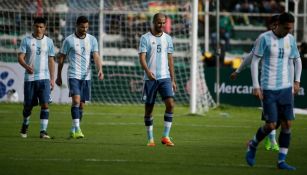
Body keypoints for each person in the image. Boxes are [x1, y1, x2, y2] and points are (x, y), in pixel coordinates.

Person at [246, 12, 302, 170]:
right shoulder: (264, 38)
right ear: (278, 24)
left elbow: (297, 60)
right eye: (286, 28)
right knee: (271, 125)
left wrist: (296, 81)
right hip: (268, 88)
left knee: (287, 124)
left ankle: (281, 161)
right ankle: (253, 144)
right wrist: (256, 86)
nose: (288, 31)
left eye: (290, 28)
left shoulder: (290, 39)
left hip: (285, 88)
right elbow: (255, 61)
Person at [230, 15, 280, 152]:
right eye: (274, 24)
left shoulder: (287, 40)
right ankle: (272, 141)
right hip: (267, 83)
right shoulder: (263, 39)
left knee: (279, 116)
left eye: (278, 24)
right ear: (270, 26)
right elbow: (251, 58)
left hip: (283, 84)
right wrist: (238, 70)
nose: (277, 27)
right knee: (271, 114)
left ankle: (263, 140)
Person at [56, 16, 104, 139]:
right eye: (82, 27)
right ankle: (77, 129)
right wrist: (59, 75)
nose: (85, 29)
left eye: (87, 27)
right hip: (73, 75)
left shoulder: (92, 39)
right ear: (76, 26)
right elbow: (61, 58)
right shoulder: (68, 40)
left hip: (86, 76)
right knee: (76, 101)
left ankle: (73, 128)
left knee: (81, 105)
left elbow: (96, 56)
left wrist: (100, 69)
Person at [138, 13, 177, 147]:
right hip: (150, 79)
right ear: (153, 22)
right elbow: (142, 58)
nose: (161, 25)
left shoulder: (168, 38)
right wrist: (148, 72)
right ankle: (150, 139)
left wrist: (172, 79)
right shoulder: (145, 38)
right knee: (149, 110)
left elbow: (170, 59)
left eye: (163, 23)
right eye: (159, 23)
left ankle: (165, 136)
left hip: (165, 78)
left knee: (171, 105)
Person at [18, 17, 55, 139]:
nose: (38, 29)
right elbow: (20, 58)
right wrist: (26, 66)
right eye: (36, 26)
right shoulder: (26, 40)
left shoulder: (49, 42)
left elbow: (51, 60)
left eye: (41, 27)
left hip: (44, 78)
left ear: (45, 28)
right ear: (33, 26)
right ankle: (25, 125)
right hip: (30, 78)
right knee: (28, 106)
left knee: (45, 105)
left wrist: (52, 78)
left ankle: (43, 131)